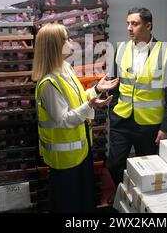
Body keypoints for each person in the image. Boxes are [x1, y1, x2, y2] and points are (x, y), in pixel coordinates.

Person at [32, 23, 119, 213]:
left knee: (82, 203)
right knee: (68, 205)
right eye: (67, 38)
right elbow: (63, 120)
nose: (71, 41)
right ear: (56, 45)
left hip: (80, 152)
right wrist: (90, 106)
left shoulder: (65, 69)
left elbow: (77, 100)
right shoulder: (48, 83)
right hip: (65, 161)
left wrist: (96, 90)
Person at [107, 7, 167, 186]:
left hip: (149, 125)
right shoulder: (121, 49)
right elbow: (115, 85)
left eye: (135, 24)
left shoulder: (166, 52)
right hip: (122, 120)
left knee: (148, 169)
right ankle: (124, 195)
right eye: (128, 24)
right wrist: (112, 111)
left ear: (148, 26)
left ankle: (140, 202)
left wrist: (166, 127)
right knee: (114, 165)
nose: (129, 28)